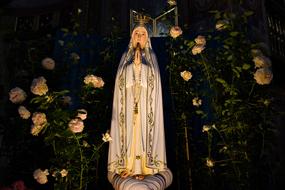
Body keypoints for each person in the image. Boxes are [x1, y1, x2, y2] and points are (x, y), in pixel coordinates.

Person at [107, 24, 168, 181]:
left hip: (146, 106)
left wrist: (141, 67)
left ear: (147, 38)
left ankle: (145, 169)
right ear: (132, 37)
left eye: (143, 34)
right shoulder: (125, 56)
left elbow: (154, 81)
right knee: (129, 133)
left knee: (143, 132)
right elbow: (120, 82)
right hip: (128, 106)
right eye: (137, 33)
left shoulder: (152, 56)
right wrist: (132, 67)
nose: (139, 36)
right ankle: (127, 167)